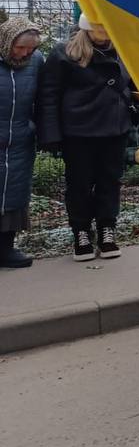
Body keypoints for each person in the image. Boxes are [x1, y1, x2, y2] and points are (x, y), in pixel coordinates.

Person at [36, 14, 136, 262]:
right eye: (97, 31)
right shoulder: (64, 53)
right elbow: (48, 95)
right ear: (86, 30)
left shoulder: (123, 51)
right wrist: (51, 135)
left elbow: (132, 85)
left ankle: (106, 230)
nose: (103, 37)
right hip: (78, 132)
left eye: (106, 30)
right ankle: (81, 232)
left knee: (110, 181)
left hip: (114, 129)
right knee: (79, 184)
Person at [0, 17, 43, 269]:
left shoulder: (36, 62)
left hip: (19, 141)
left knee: (14, 196)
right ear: (7, 41)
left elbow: (44, 97)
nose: (25, 53)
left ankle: (6, 248)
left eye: (31, 48)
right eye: (20, 48)